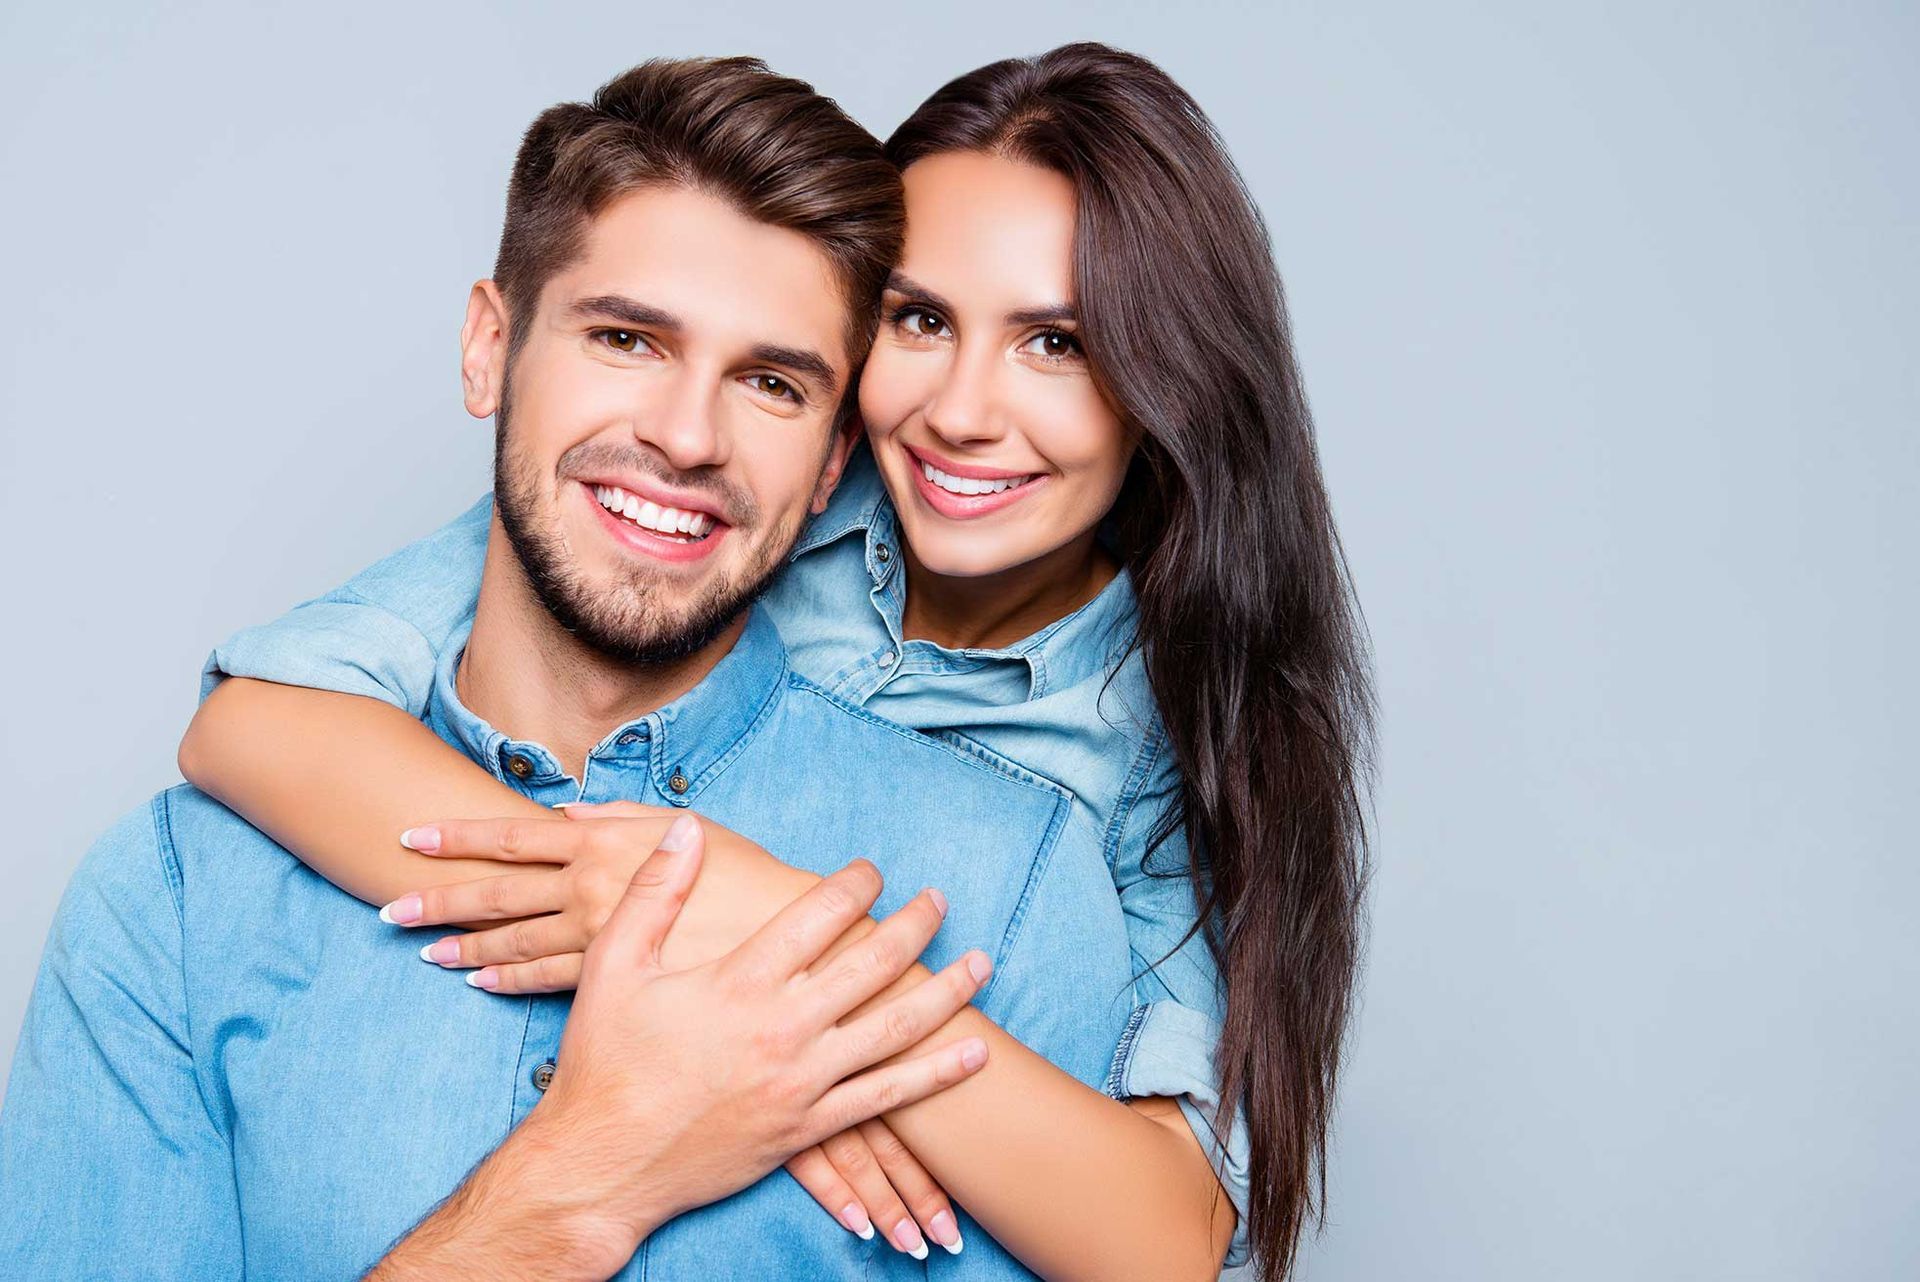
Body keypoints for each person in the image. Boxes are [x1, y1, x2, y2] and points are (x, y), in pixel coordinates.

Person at [0, 57, 1236, 1281]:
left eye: (769, 380)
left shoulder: (1032, 876)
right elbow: (252, 717)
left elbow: (1170, 1238)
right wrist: (594, 1164)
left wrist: (762, 945)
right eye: (627, 338)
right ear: (490, 346)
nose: (685, 437)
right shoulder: (179, 904)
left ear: (826, 459)